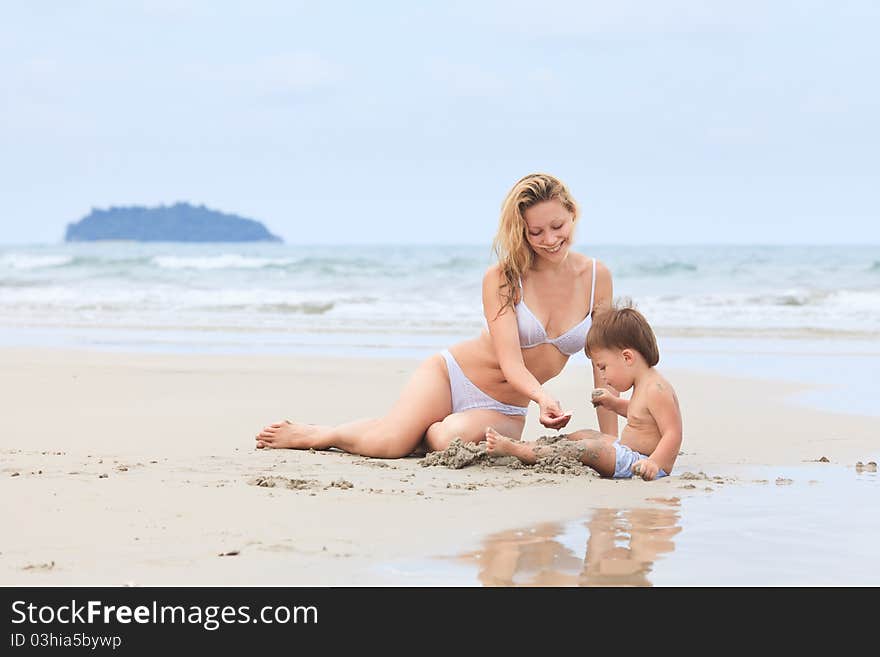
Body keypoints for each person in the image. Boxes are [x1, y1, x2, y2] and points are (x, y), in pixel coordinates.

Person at [255, 173, 615, 457]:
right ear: (520, 230)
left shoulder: (597, 277)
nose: (550, 239)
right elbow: (511, 361)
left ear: (573, 214)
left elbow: (604, 363)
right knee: (390, 445)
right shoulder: (503, 278)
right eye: (535, 231)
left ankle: (425, 428)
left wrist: (613, 439)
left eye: (558, 227)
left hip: (506, 407)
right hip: (454, 375)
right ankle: (320, 434)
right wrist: (543, 398)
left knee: (448, 440)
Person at [485, 305, 682, 480]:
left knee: (589, 449)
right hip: (627, 450)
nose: (603, 376)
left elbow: (672, 434)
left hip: (638, 461)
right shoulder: (645, 384)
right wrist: (613, 403)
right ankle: (535, 446)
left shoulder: (657, 389)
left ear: (627, 357)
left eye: (603, 367)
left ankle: (520, 451)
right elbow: (640, 414)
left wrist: (654, 464)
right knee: (585, 434)